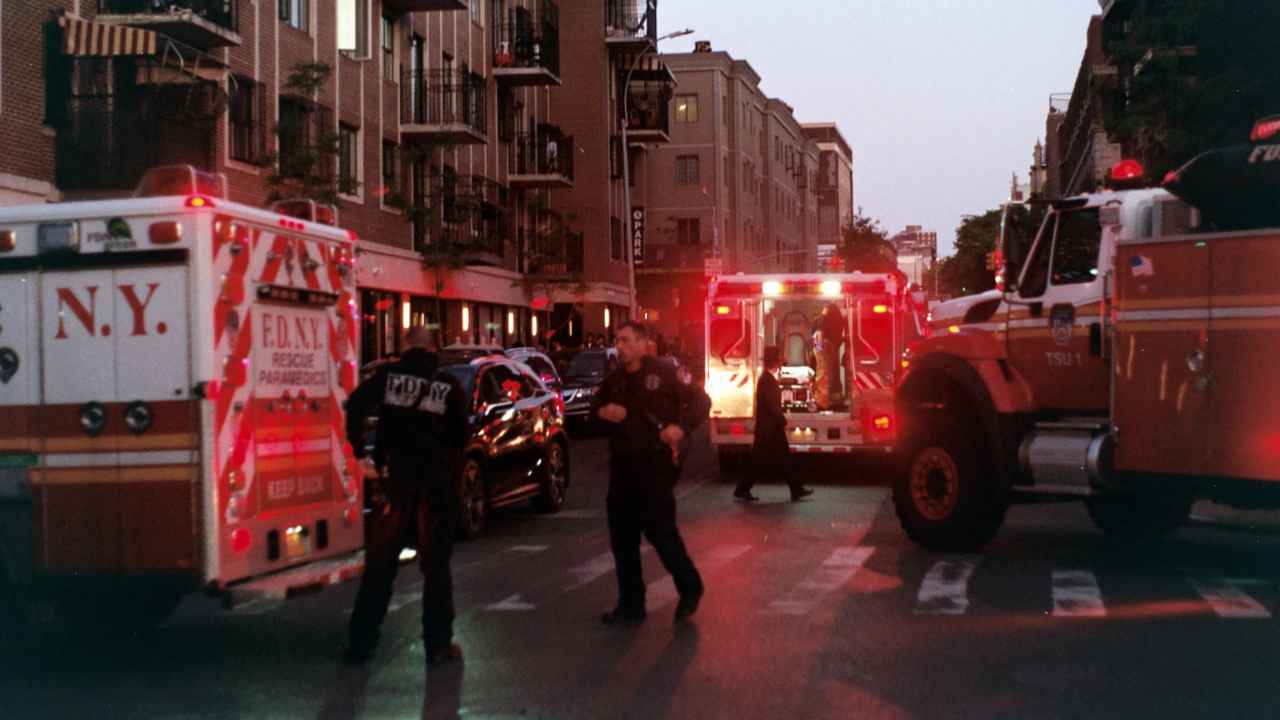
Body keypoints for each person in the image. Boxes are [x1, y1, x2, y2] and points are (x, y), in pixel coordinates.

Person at [343, 327, 468, 667]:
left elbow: (353, 405)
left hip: (394, 483)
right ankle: (439, 644)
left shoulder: (388, 379)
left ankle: (361, 643)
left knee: (380, 568)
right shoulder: (448, 387)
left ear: (405, 347)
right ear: (434, 349)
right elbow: (460, 440)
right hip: (436, 487)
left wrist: (360, 454)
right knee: (436, 568)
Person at [592, 322, 710, 625]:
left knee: (660, 532)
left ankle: (690, 587)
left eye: (628, 340)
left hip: (655, 465)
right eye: (618, 340)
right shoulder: (614, 381)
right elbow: (593, 412)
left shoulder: (666, 372)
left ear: (644, 344)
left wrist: (680, 427)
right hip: (623, 467)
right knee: (623, 538)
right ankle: (631, 605)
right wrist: (603, 413)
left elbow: (700, 401)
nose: (621, 346)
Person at [735, 346, 813, 502]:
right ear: (774, 363)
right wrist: (782, 420)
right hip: (769, 430)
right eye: (777, 360)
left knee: (782, 459)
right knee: (762, 460)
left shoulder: (766, 379)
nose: (779, 363)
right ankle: (743, 488)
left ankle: (795, 489)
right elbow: (773, 406)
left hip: (770, 429)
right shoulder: (767, 381)